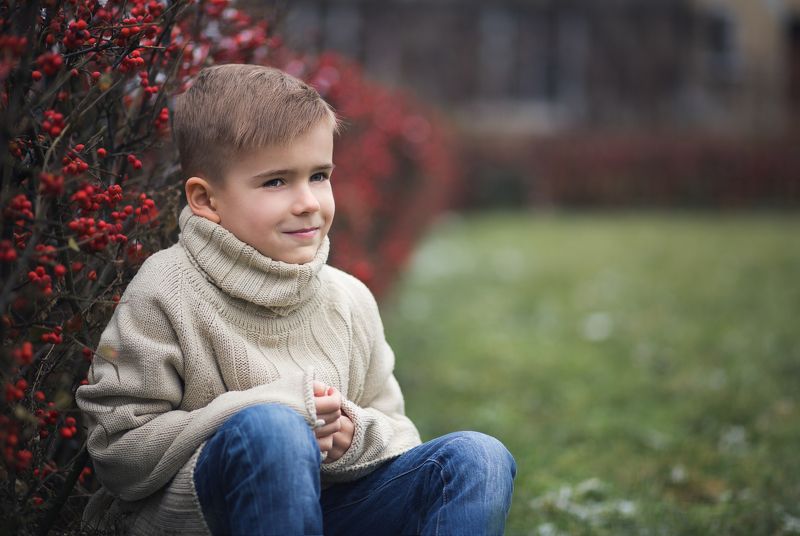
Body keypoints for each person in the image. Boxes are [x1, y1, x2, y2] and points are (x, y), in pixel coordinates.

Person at [75, 64, 516, 536]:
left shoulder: (347, 298)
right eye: (276, 182)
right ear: (206, 199)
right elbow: (118, 453)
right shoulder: (165, 289)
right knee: (274, 431)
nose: (308, 201)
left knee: (479, 458)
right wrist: (270, 407)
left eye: (320, 175)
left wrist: (353, 437)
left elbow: (398, 433)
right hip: (202, 520)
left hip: (331, 513)